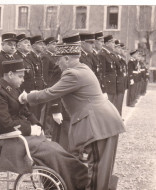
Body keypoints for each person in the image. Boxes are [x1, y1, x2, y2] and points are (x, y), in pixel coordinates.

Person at [19, 34, 125, 190]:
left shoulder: (73, 74)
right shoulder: (83, 68)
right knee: (101, 169)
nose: (57, 63)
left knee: (94, 169)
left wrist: (27, 97)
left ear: (67, 59)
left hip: (97, 125)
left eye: (59, 59)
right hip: (105, 123)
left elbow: (50, 93)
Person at [0, 59, 88, 190]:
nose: (23, 80)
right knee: (52, 153)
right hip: (8, 141)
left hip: (19, 138)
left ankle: (79, 181)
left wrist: (37, 125)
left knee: (57, 150)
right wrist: (29, 129)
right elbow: (5, 124)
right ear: (10, 74)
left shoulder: (12, 90)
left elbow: (26, 112)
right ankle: (77, 183)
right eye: (20, 76)